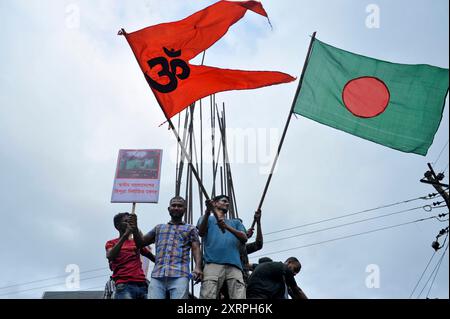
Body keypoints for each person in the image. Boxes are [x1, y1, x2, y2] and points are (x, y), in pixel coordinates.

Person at [129, 196, 203, 299]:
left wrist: (198, 267)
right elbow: (140, 243)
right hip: (158, 274)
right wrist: (135, 228)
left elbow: (196, 249)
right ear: (169, 209)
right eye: (173, 205)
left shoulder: (190, 229)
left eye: (180, 206)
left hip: (180, 274)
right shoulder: (159, 228)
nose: (176, 208)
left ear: (185, 210)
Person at [197, 195, 248, 299]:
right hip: (213, 264)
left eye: (228, 202)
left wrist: (226, 227)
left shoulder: (235, 222)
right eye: (224, 201)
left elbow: (244, 237)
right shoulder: (207, 219)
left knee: (239, 297)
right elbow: (201, 232)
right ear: (215, 203)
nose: (227, 203)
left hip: (234, 266)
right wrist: (207, 211)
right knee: (208, 295)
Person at [105, 212, 153, 299]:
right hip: (124, 286)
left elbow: (152, 257)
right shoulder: (111, 243)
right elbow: (110, 255)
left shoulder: (136, 242)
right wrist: (125, 235)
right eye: (126, 221)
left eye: (130, 221)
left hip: (142, 285)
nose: (129, 224)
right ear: (117, 226)